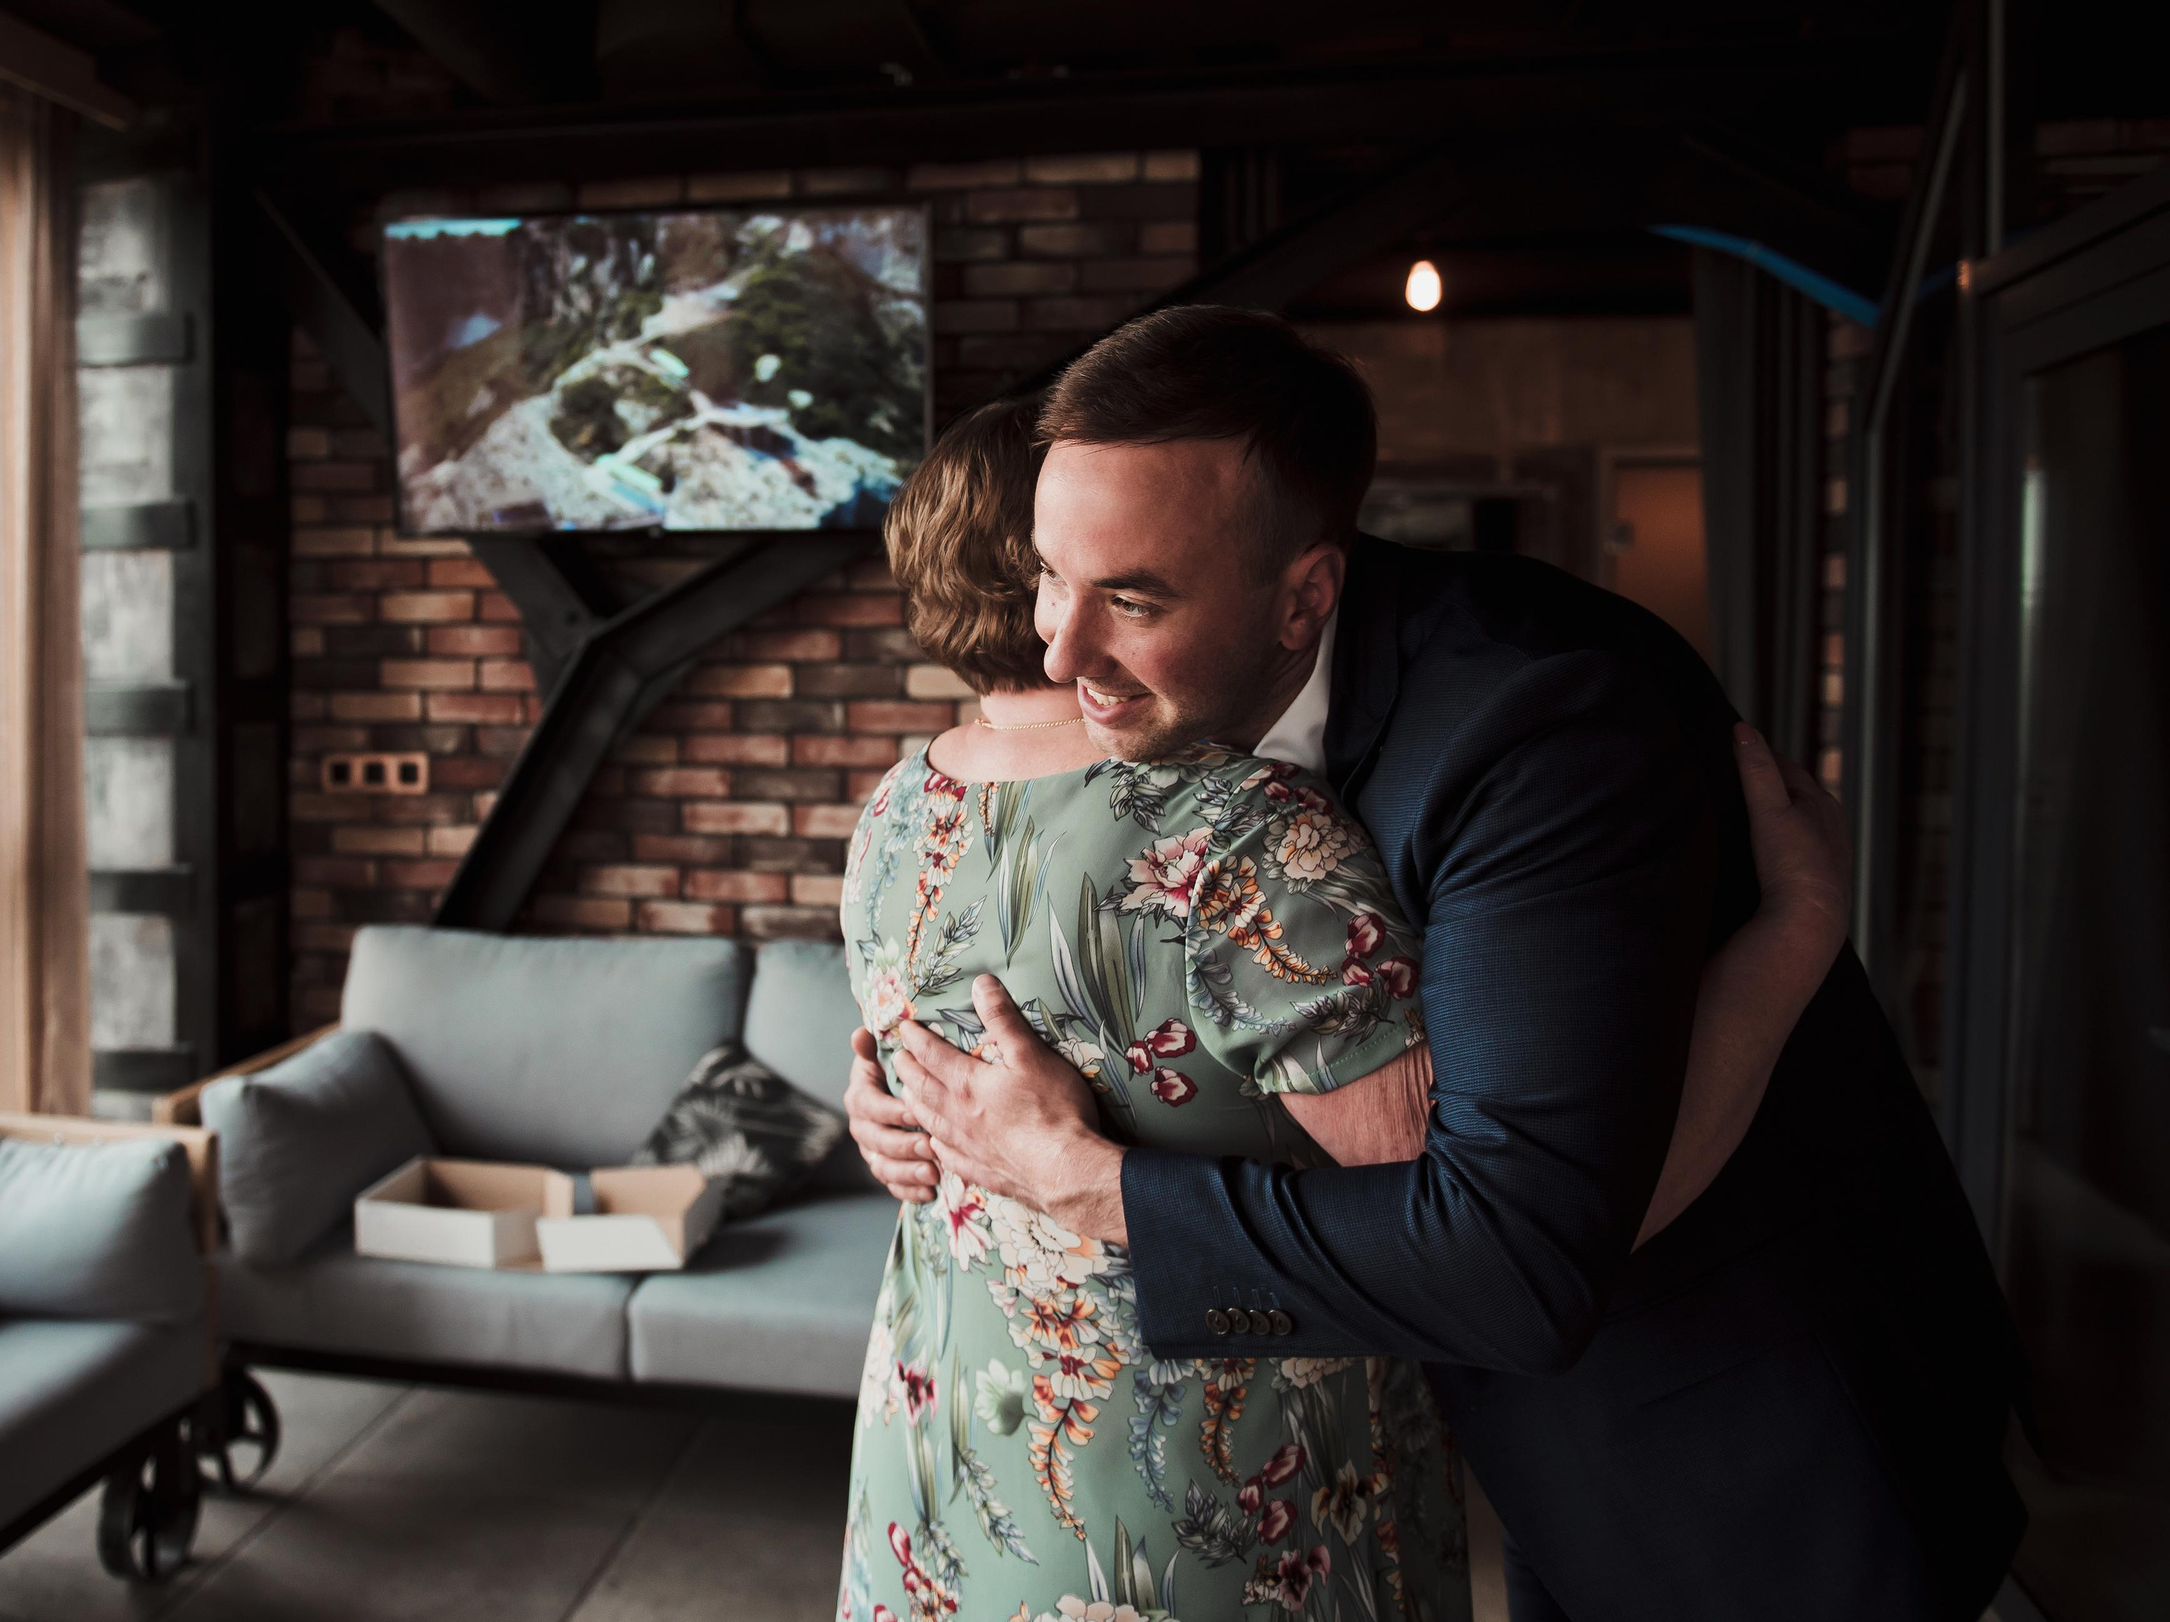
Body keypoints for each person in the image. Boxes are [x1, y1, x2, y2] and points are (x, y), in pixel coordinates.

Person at [861, 310, 2026, 1622]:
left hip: (1744, 1446)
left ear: (1308, 591)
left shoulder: (1536, 721)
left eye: (1130, 598)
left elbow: (1517, 1244)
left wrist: (1084, 1181)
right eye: (1047, 578)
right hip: (1533, 1440)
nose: (1061, 651)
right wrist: (903, 1100)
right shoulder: (1207, 687)